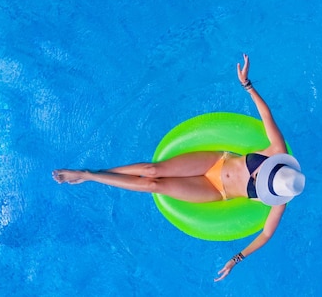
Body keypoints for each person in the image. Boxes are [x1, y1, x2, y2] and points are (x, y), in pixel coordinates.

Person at [53, 54, 306, 282]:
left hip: (215, 190)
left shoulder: (278, 201)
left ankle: (88, 176)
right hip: (216, 161)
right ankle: (97, 170)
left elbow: (265, 235)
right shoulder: (277, 150)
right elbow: (266, 115)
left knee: (154, 185)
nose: (260, 178)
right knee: (153, 170)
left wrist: (235, 259)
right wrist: (247, 85)